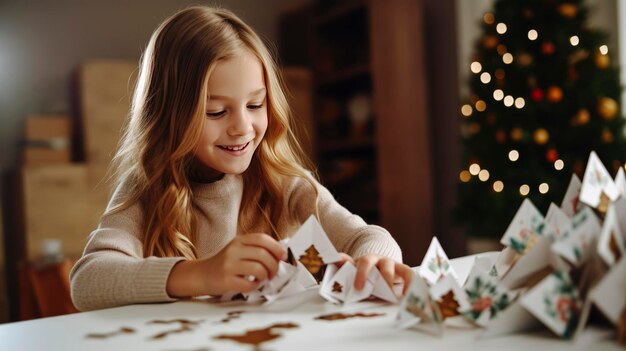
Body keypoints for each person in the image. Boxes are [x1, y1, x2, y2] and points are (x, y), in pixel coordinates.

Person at [70, 5, 412, 311]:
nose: (242, 127)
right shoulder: (148, 187)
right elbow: (87, 281)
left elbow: (366, 236)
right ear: (169, 116)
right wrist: (201, 275)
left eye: (255, 105)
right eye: (216, 111)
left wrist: (375, 260)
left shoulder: (284, 181)